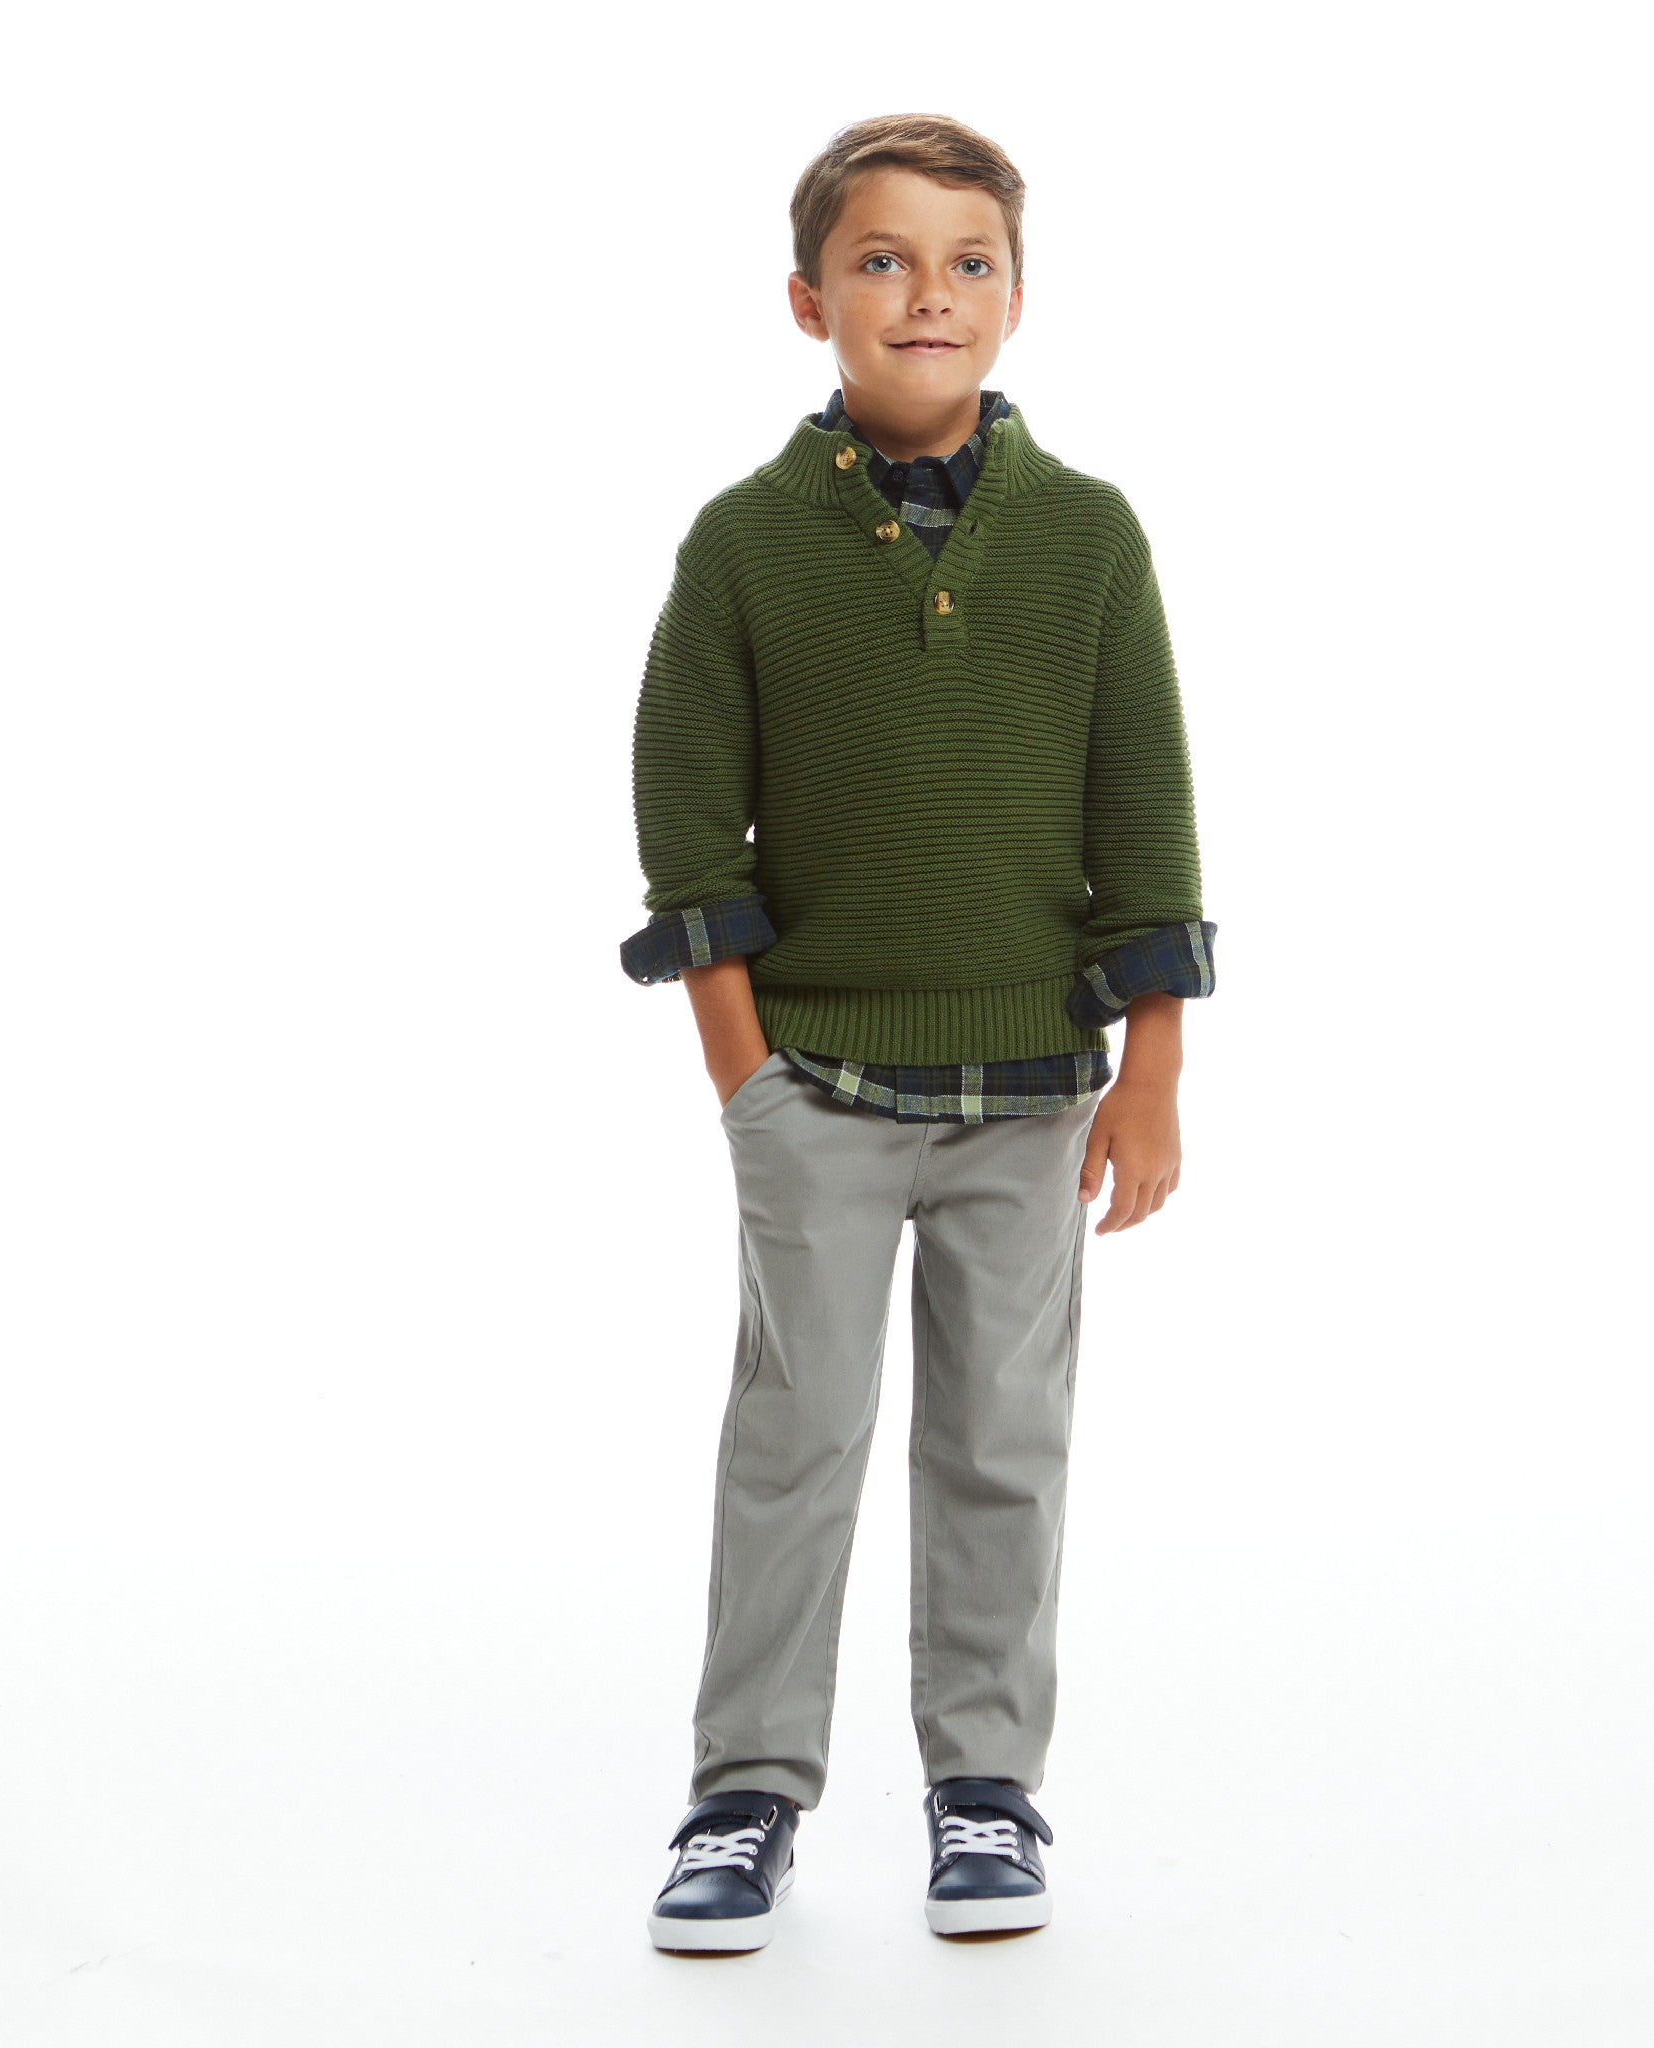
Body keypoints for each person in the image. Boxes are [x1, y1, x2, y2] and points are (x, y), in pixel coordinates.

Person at [621, 113, 1217, 1952]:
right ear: (811, 300)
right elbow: (687, 819)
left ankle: (987, 1787)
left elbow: (1145, 817)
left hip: (1035, 1091)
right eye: (881, 259)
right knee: (793, 1435)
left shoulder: (1090, 539)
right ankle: (744, 1794)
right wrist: (746, 1075)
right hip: (816, 1086)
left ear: (1018, 296)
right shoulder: (743, 544)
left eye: (968, 263)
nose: (927, 294)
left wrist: (1154, 1070)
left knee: (1001, 1444)